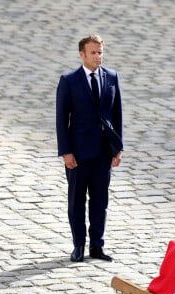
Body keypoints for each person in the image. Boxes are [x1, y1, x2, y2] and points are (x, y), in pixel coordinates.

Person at [56, 34, 123, 262]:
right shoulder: (69, 80)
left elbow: (117, 115)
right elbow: (61, 119)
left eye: (100, 52)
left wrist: (117, 148)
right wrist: (66, 152)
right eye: (93, 53)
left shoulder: (112, 77)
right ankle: (79, 246)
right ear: (82, 54)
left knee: (100, 201)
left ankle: (97, 246)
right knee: (76, 202)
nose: (98, 57)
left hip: (103, 153)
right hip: (78, 154)